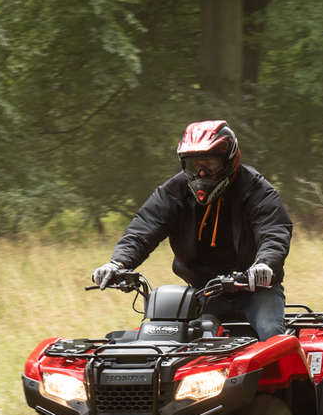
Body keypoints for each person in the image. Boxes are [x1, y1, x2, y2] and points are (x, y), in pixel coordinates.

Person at [92, 120, 293, 339]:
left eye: (210, 164)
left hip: (256, 290)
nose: (201, 173)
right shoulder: (174, 191)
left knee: (271, 334)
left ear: (229, 160)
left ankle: (293, 374)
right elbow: (144, 227)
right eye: (193, 165)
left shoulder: (257, 190)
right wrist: (117, 263)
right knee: (168, 340)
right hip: (204, 291)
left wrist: (264, 264)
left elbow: (274, 232)